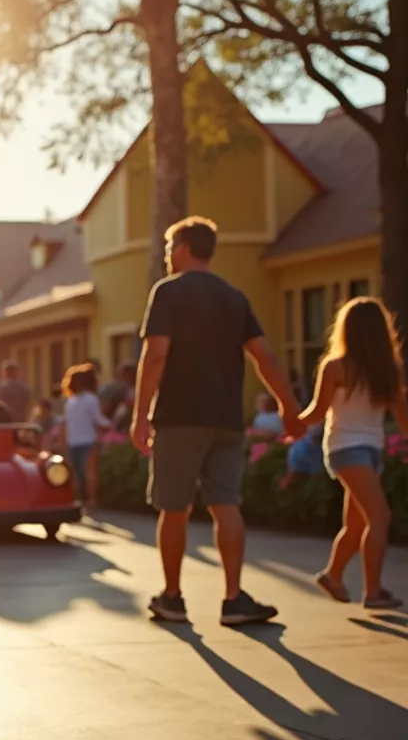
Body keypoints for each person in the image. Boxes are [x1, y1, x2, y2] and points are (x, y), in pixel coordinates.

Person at [130, 217, 303, 626]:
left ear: (186, 247)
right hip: (226, 417)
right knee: (227, 505)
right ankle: (233, 599)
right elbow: (265, 356)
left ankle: (172, 598)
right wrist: (290, 408)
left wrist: (140, 416)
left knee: (174, 508)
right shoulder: (234, 297)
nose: (169, 255)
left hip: (178, 417)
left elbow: (155, 355)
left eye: (172, 247)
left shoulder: (168, 293)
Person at [302, 297, 406, 610]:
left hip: (369, 450)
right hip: (347, 449)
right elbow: (318, 413)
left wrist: (294, 418)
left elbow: (314, 413)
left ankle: (332, 576)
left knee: (359, 524)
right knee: (380, 517)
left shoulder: (380, 370)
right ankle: (373, 593)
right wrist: (289, 418)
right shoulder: (344, 368)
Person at [60, 363, 109, 506]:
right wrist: (110, 424)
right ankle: (92, 501)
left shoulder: (70, 402)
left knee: (76, 474)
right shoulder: (91, 399)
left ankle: (78, 499)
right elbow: (98, 419)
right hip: (88, 440)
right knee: (90, 473)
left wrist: (64, 442)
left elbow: (65, 424)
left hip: (73, 442)